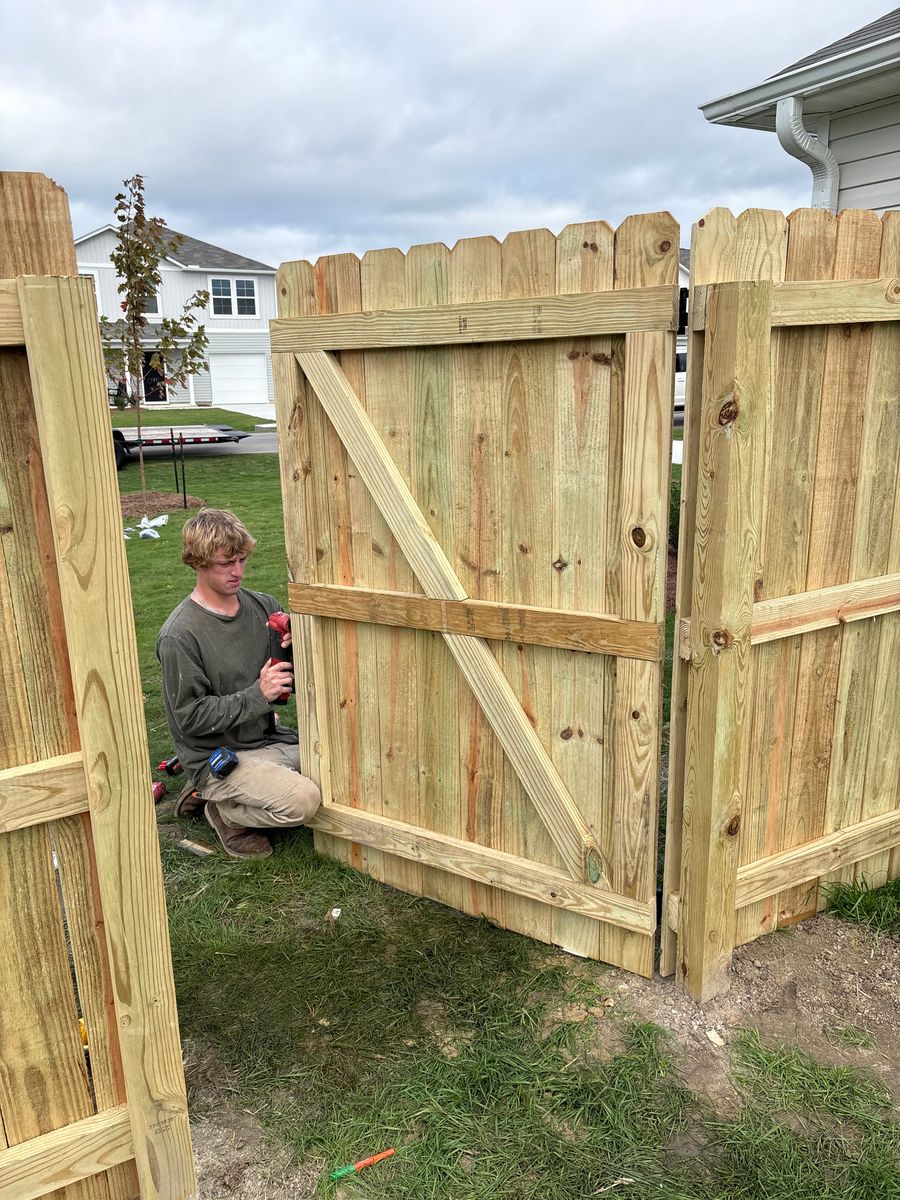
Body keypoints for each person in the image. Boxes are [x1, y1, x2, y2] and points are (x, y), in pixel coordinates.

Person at [156, 508, 321, 858]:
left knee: (341, 773)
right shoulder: (179, 635)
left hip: (269, 740)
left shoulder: (264, 607)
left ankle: (244, 791)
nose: (238, 571)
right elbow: (189, 718)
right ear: (198, 562)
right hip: (218, 757)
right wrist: (256, 695)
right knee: (304, 802)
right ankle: (221, 808)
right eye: (224, 563)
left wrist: (299, 648)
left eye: (242, 559)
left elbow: (286, 686)